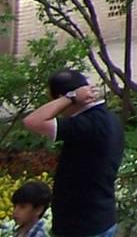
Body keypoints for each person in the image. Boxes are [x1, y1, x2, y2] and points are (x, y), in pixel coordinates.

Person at [22, 70, 124, 237]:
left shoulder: (85, 125)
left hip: (81, 225)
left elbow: (32, 121)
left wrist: (69, 97)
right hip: (101, 217)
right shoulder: (108, 118)